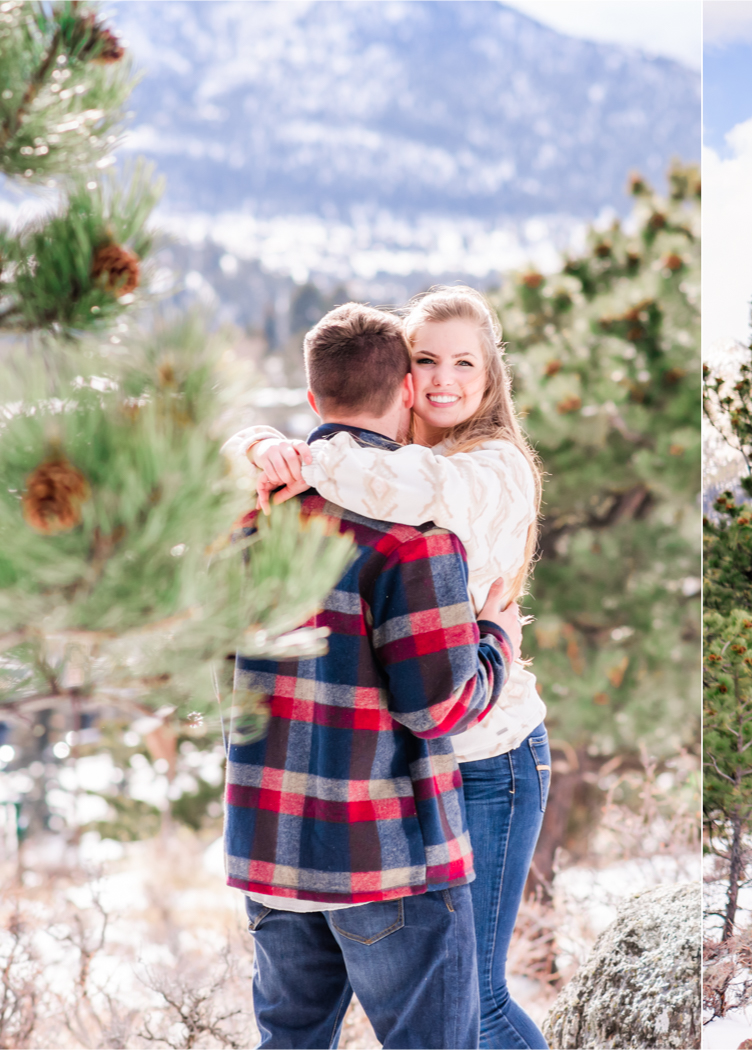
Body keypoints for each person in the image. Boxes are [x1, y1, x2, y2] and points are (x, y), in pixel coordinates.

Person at [225, 286, 550, 1050]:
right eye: (426, 360)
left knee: (478, 1004)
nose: (443, 379)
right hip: (395, 776)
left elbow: (410, 486)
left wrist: (298, 454)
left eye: (464, 363)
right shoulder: (376, 482)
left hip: (484, 754)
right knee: (445, 1016)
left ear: (492, 374)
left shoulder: (482, 470)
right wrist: (255, 447)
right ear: (403, 380)